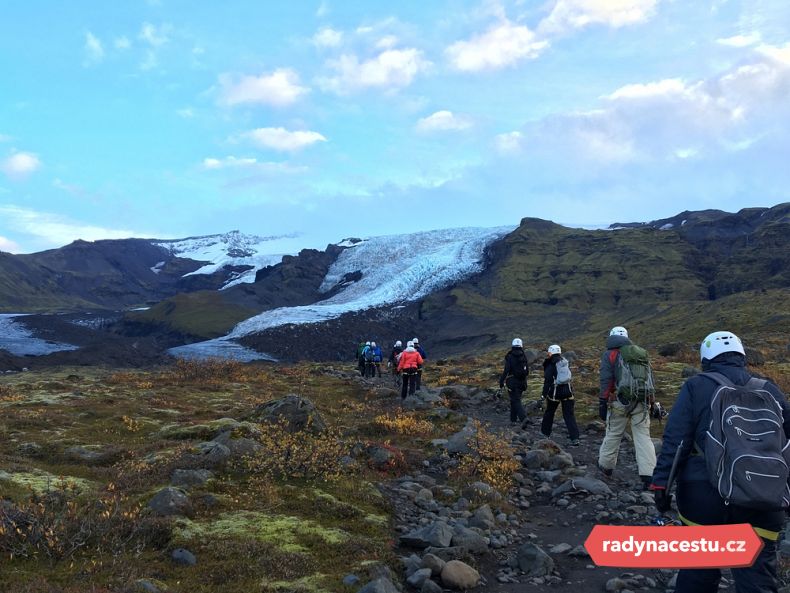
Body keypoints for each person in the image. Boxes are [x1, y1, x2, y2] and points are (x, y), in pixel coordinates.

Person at [650, 331, 790, 593]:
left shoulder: (695, 386)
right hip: (764, 497)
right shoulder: (770, 389)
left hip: (704, 495)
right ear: (742, 357)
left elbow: (676, 440)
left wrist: (661, 485)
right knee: (757, 579)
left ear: (705, 359)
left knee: (699, 575)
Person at [597, 326, 656, 488]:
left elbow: (606, 379)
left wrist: (603, 401)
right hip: (641, 401)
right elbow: (650, 378)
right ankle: (649, 475)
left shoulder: (609, 354)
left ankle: (605, 467)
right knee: (643, 437)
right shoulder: (640, 353)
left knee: (614, 433)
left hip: (619, 401)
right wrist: (652, 401)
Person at [540, 344, 580, 446]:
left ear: (550, 353)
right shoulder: (564, 362)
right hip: (568, 391)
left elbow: (548, 381)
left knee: (550, 412)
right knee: (569, 415)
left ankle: (545, 433)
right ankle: (575, 438)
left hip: (555, 393)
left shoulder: (550, 364)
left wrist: (543, 395)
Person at [499, 338, 529, 425]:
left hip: (512, 382)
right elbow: (527, 372)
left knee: (516, 400)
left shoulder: (510, 356)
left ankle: (523, 418)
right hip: (522, 382)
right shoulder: (524, 356)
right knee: (514, 400)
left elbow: (506, 370)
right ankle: (513, 420)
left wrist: (501, 382)